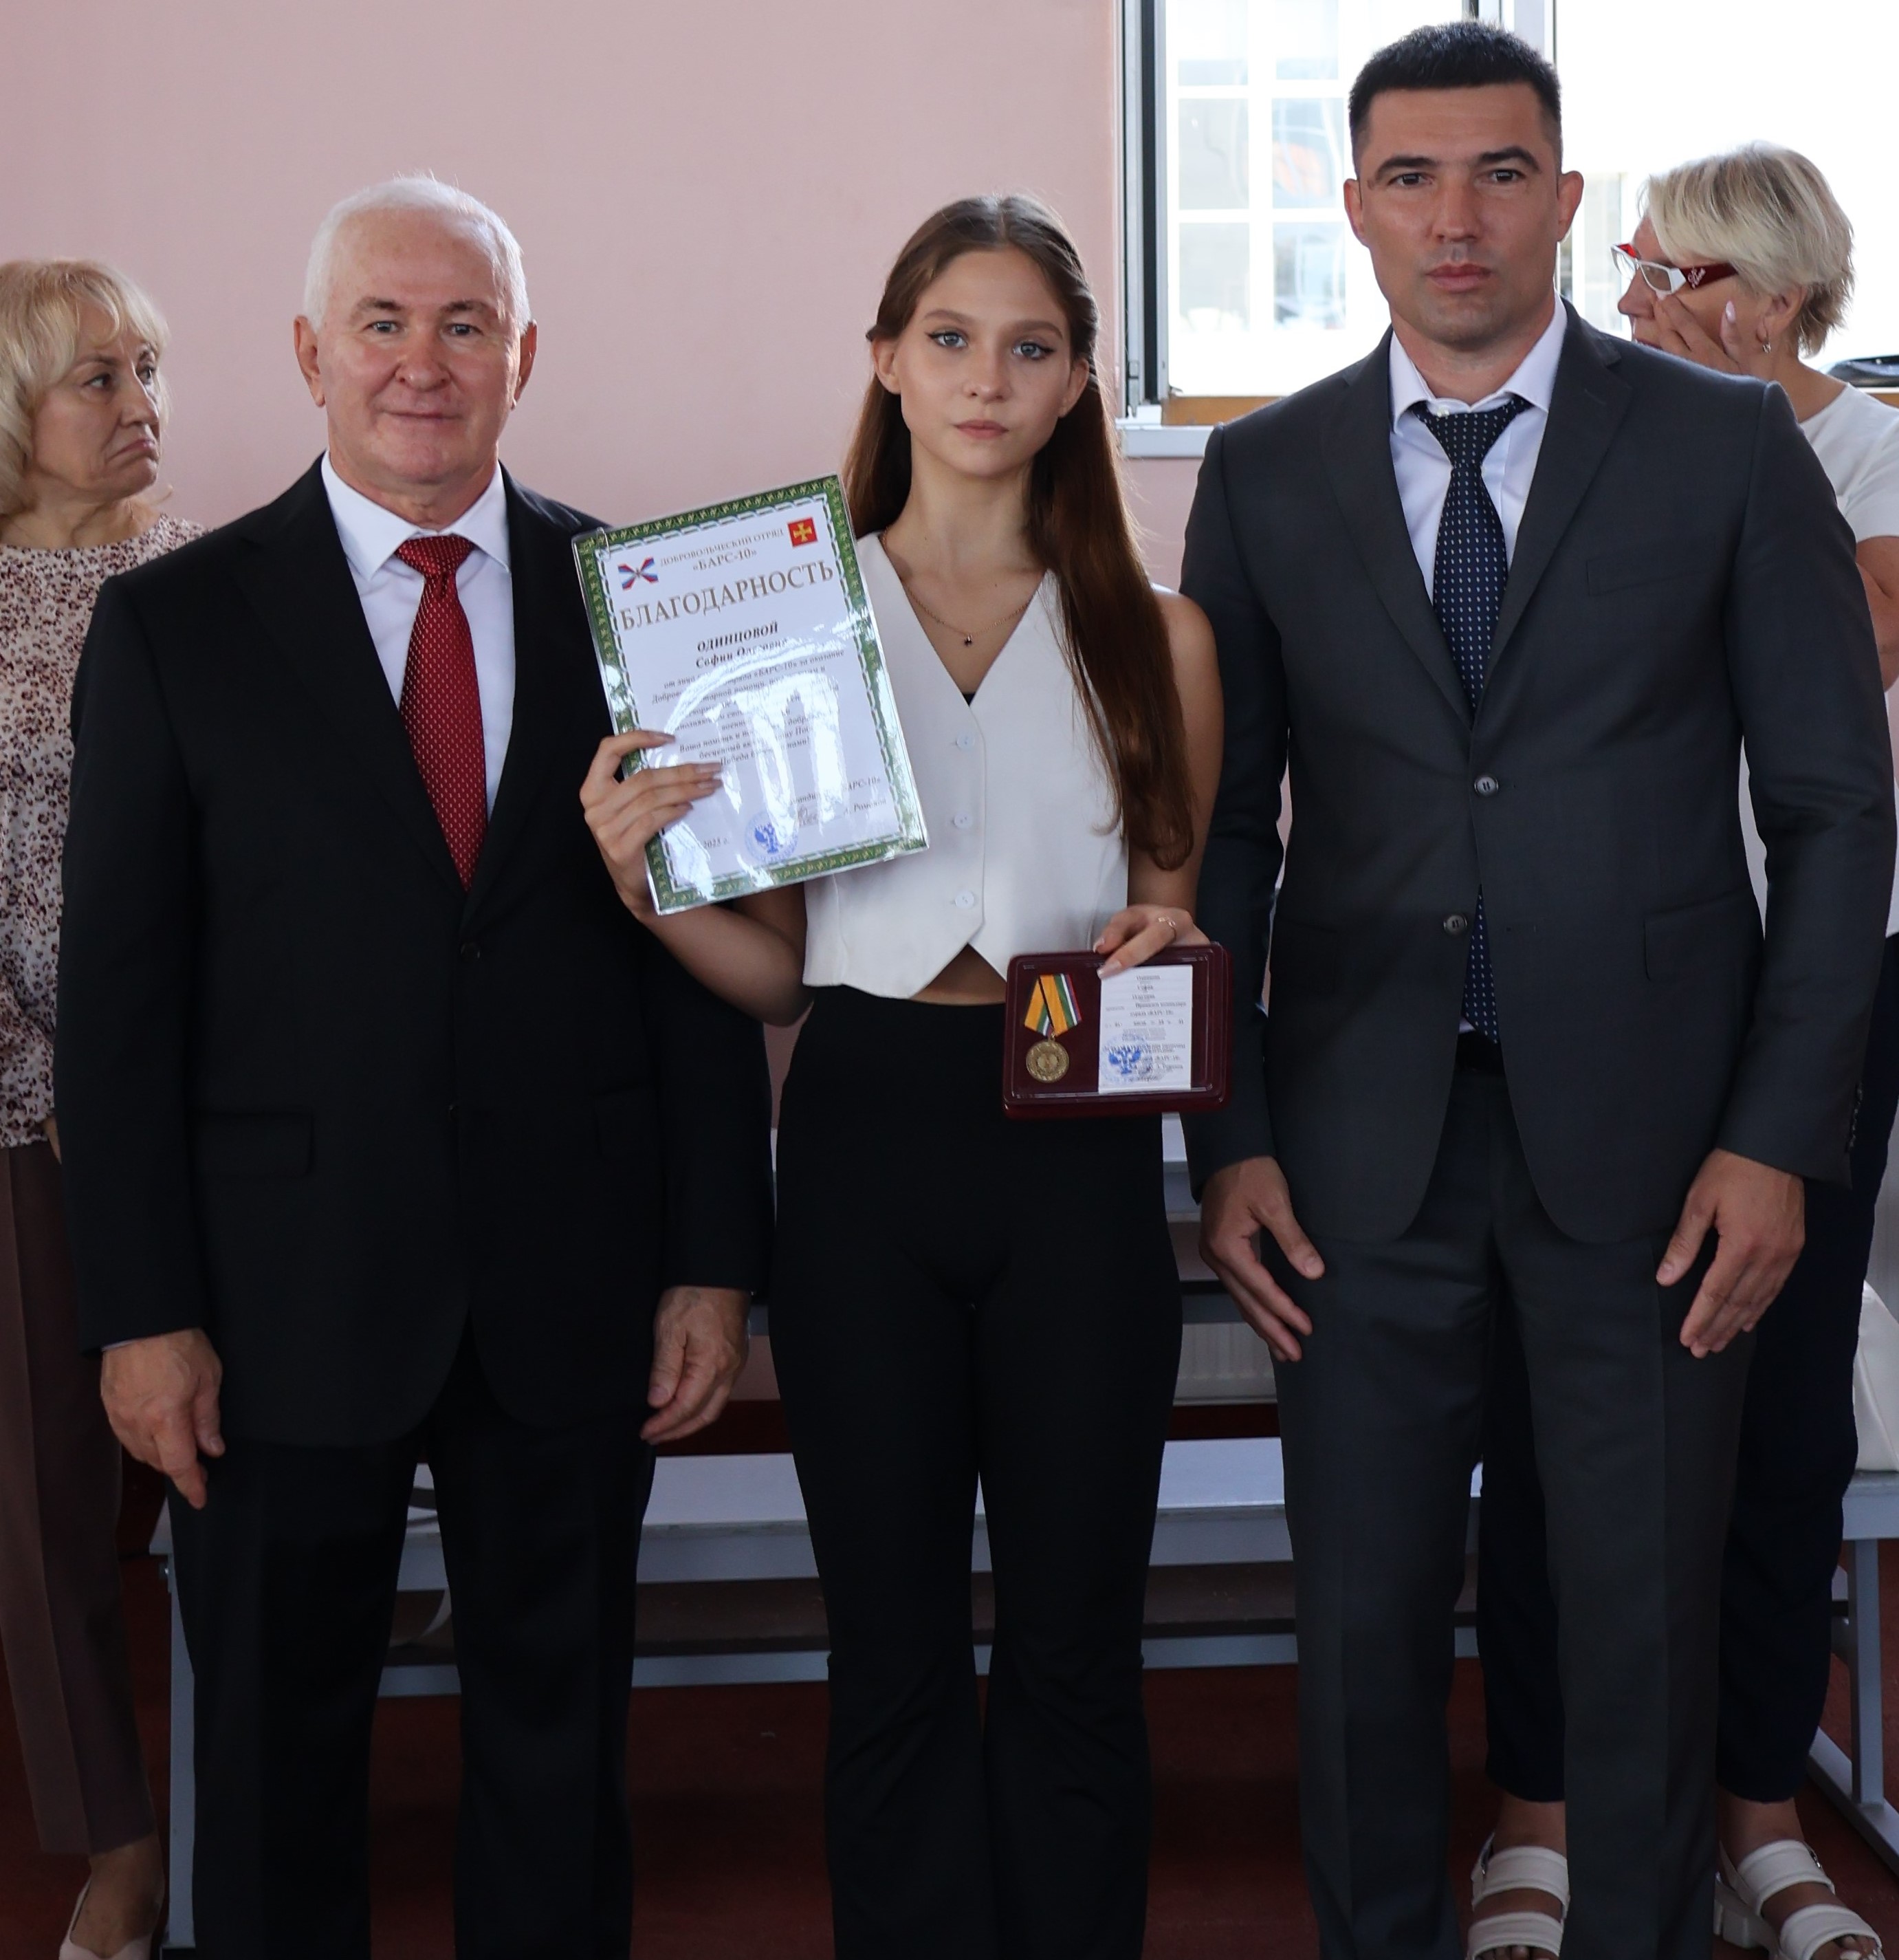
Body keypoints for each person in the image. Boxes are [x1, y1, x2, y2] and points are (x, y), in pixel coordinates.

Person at [1181, 25, 1893, 1960]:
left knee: (1643, 1631)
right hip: (1353, 1158)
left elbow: (1835, 813)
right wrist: (1230, 1135)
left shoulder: (1725, 450)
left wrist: (1776, 1141)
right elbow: (1222, 834)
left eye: (1500, 173)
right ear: (1352, 208)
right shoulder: (1262, 472)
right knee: (1361, 1630)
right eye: (1411, 178)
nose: (1457, 218)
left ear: (1565, 202)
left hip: (1660, 1155)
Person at [54, 177, 773, 1960]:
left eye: (466, 326)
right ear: (311, 354)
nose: (423, 365)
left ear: (525, 355)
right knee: (273, 1765)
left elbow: (693, 970)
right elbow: (118, 1004)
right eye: (383, 324)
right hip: (274, 1299)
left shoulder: (642, 602)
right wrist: (139, 1313)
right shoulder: (172, 626)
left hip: (574, 1280)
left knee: (560, 1751)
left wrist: (712, 1259)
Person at [580, 193, 1222, 1959]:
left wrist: (1170, 941)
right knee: (889, 1644)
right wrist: (645, 888)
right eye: (949, 339)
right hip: (863, 1135)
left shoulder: (1156, 636)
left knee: (1078, 1641)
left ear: (1079, 382)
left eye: (1030, 347)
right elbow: (779, 979)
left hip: (1076, 1148)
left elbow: (1170, 917)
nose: (985, 379)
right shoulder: (780, 622)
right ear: (884, 359)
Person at [1475, 144, 1899, 1960]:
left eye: (1672, 275)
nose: (1632, 303)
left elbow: (1847, 652)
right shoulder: (1591, 447)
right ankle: (1538, 1817)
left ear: (1778, 300)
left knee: (1779, 1419)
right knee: (1551, 1404)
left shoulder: (1871, 455)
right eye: (1631, 271)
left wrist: (1736, 437)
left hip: (1816, 988)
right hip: (1607, 980)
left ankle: (1754, 1821)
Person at [0, 259, 194, 1960]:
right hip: (26, 1129)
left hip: (214, 1108)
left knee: (231, 1467)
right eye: (96, 380)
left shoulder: (205, 589)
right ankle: (119, 1849)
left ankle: (248, 1802)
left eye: (148, 370)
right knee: (50, 1509)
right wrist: (63, 1086)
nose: (141, 407)